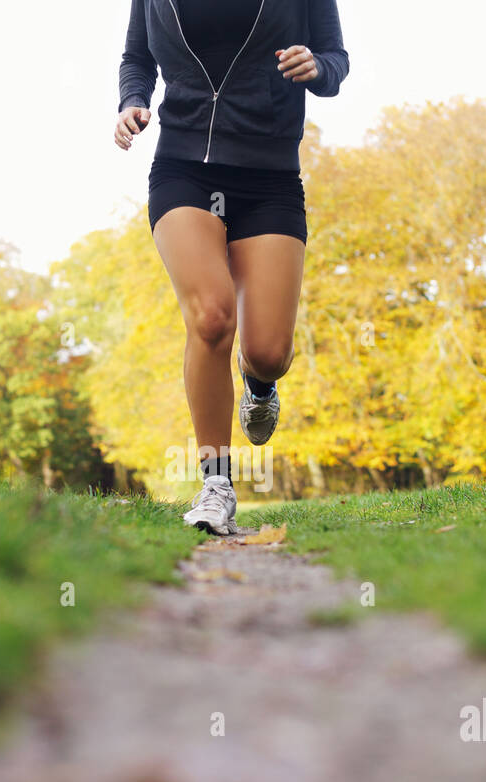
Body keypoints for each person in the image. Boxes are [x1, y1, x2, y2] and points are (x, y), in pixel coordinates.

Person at [115, 0, 349, 533]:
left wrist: (317, 66)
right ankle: (215, 484)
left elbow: (336, 60)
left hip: (269, 177)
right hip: (184, 168)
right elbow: (136, 56)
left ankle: (260, 387)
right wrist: (132, 101)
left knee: (268, 353)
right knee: (212, 316)